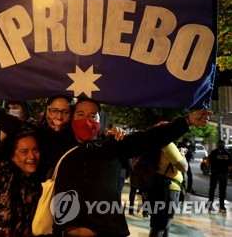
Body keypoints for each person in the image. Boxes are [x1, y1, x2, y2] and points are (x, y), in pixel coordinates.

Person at [52, 97, 211, 237]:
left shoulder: (113, 145)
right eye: (80, 114)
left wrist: (186, 121)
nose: (86, 120)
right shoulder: (56, 145)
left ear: (101, 121)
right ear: (71, 118)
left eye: (93, 116)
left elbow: (148, 138)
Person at [145, 140, 188, 237]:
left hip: (158, 187)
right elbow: (184, 168)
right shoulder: (168, 145)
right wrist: (182, 154)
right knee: (159, 226)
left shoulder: (155, 144)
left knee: (163, 225)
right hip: (167, 190)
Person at [207, 140, 232, 212]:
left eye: (223, 144)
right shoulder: (214, 152)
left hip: (223, 174)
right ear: (218, 144)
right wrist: (211, 169)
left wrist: (228, 172)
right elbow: (209, 162)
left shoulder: (227, 153)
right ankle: (210, 204)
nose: (222, 145)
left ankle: (221, 205)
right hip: (215, 173)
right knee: (212, 189)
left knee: (222, 190)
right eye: (221, 144)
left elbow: (230, 165)